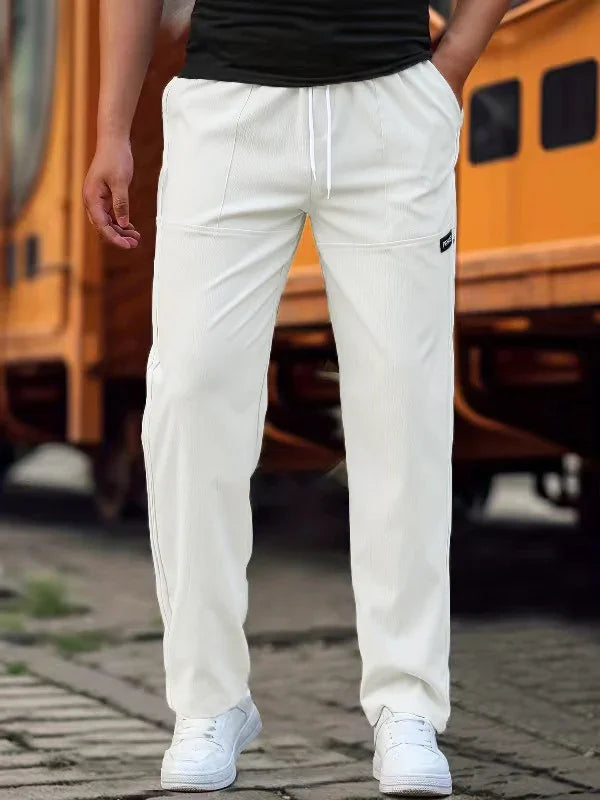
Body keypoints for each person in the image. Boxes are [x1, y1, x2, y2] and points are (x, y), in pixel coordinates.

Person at [84, 0, 511, 794]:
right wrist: (113, 127)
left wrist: (451, 65)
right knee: (190, 400)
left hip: (390, 103)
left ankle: (407, 703)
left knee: (403, 409)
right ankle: (208, 702)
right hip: (227, 108)